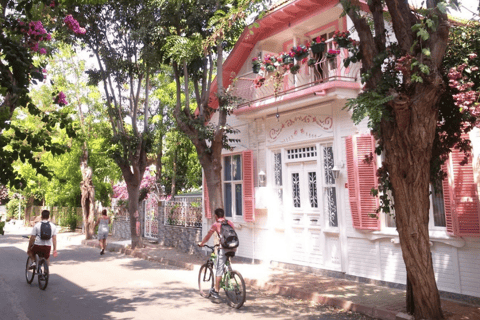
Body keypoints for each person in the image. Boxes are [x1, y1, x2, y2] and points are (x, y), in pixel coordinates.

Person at [198, 208, 236, 299]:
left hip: (223, 248)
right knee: (226, 262)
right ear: (223, 215)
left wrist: (202, 243)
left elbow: (208, 236)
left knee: (219, 270)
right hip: (233, 247)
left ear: (216, 216)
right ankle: (230, 272)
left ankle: (216, 290)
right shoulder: (230, 223)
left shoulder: (216, 224)